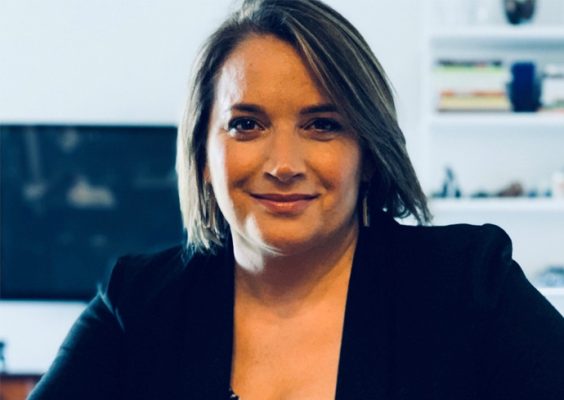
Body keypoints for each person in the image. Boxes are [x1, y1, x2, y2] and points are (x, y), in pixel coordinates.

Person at [29, 0, 564, 399]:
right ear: (201, 157)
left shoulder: (469, 286)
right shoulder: (139, 303)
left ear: (368, 152)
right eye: (246, 124)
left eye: (322, 125)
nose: (283, 164)